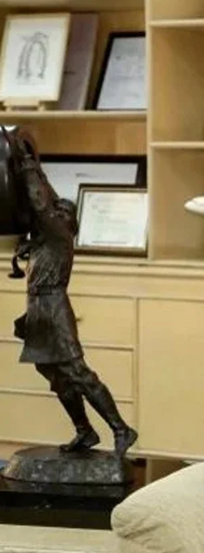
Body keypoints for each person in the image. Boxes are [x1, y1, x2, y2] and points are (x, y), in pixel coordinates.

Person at [3, 127, 138, 457]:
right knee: (53, 373)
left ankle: (121, 429)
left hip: (53, 306)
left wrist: (26, 162)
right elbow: (45, 199)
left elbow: (40, 201)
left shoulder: (59, 234)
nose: (53, 212)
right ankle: (84, 430)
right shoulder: (44, 240)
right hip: (39, 308)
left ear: (66, 219)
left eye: (59, 211)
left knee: (77, 372)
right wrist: (34, 165)